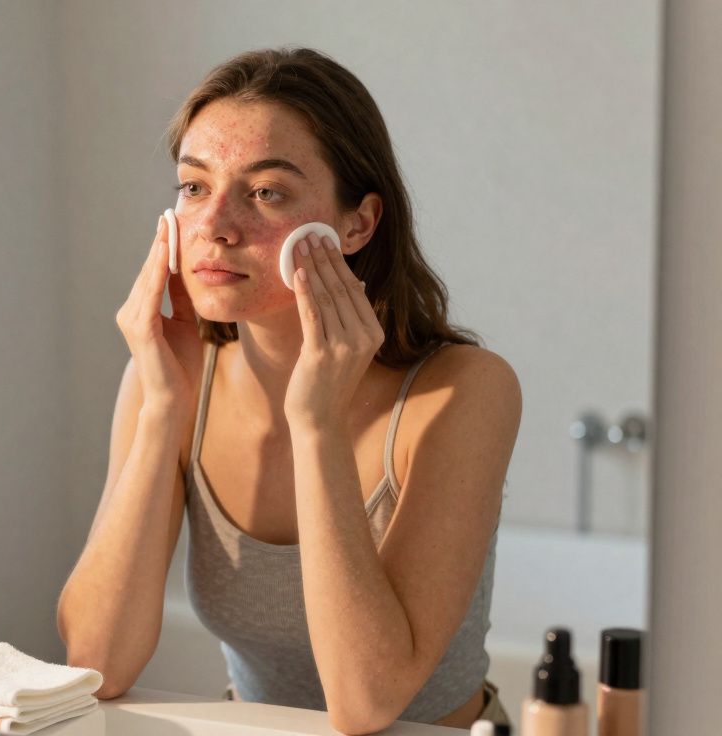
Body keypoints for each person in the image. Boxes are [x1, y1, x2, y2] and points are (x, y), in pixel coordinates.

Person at [58, 48, 521, 733]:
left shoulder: (464, 392)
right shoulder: (169, 382)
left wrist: (316, 425)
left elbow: (365, 703)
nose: (216, 225)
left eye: (266, 192)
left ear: (358, 224)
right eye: (194, 186)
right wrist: (163, 411)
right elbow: (95, 663)